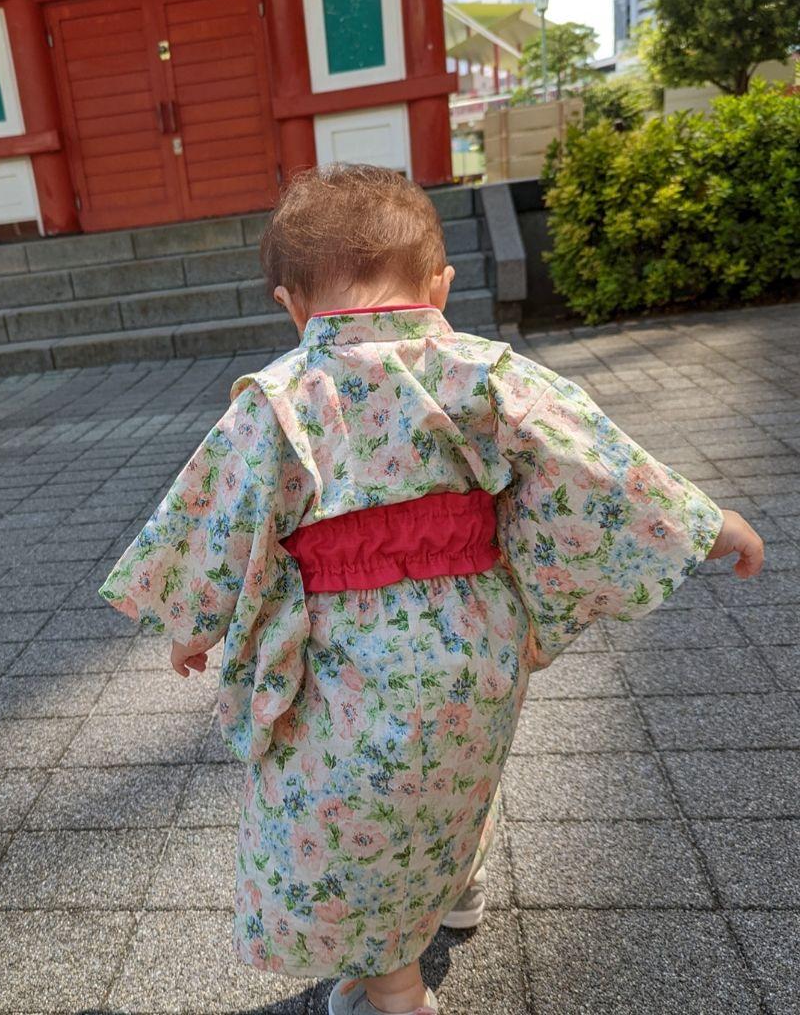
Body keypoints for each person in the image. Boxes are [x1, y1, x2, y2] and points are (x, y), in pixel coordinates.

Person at [100, 164, 763, 1015]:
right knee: (450, 768)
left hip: (347, 651)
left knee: (348, 816)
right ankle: (458, 889)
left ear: (292, 306)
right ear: (440, 285)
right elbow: (593, 460)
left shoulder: (279, 400)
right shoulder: (486, 373)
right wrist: (707, 524)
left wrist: (192, 624)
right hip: (475, 632)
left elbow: (219, 518)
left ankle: (397, 994)